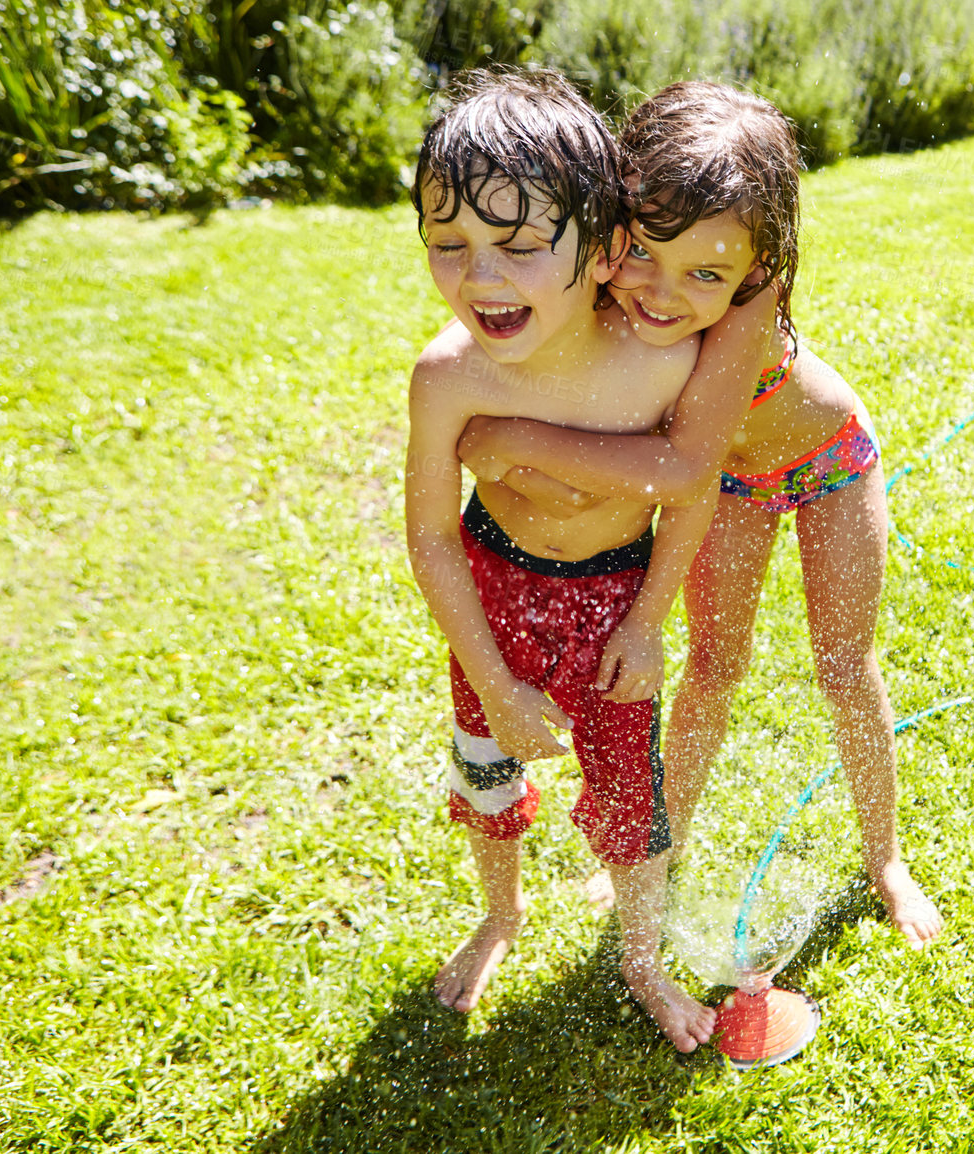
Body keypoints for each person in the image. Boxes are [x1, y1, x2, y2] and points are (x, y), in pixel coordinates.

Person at [457, 82, 942, 948]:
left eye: (705, 274)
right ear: (613, 220)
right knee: (713, 667)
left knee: (842, 664)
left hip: (822, 460)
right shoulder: (599, 273)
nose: (663, 293)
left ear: (758, 267)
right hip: (725, 487)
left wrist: (511, 437)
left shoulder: (746, 309)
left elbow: (680, 466)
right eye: (644, 251)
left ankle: (885, 861)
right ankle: (659, 852)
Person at [404, 68, 759, 1051]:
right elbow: (431, 534)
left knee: (629, 792)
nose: (482, 278)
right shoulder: (446, 377)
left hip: (612, 602)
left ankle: (640, 955)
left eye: (518, 247)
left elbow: (690, 486)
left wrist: (649, 622)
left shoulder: (656, 360)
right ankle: (501, 912)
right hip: (494, 584)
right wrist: (490, 675)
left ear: (603, 252)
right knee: (485, 768)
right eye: (450, 247)